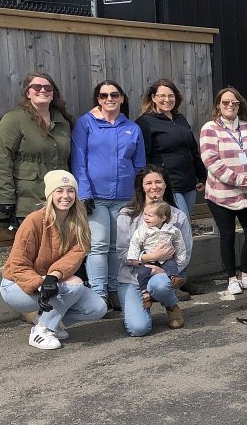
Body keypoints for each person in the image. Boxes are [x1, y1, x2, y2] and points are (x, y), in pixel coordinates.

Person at [0, 171, 107, 349]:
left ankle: (47, 321)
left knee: (97, 308)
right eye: (59, 191)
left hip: (55, 281)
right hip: (16, 285)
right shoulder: (34, 221)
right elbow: (18, 265)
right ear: (50, 194)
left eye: (70, 191)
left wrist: (53, 277)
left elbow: (74, 257)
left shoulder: (80, 224)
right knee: (75, 285)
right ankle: (41, 331)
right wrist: (40, 283)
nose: (66, 196)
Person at [71, 80, 146, 311]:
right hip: (96, 197)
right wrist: (84, 193)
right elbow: (78, 159)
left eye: (114, 95)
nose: (109, 99)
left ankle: (114, 290)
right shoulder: (86, 124)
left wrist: (138, 195)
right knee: (98, 246)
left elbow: (139, 165)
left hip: (124, 197)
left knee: (117, 247)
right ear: (98, 99)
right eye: (103, 96)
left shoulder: (132, 128)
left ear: (122, 98)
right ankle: (98, 294)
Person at [200, 87, 247, 294]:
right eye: (226, 102)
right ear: (218, 106)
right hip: (221, 194)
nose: (230, 105)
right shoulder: (210, 128)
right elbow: (211, 160)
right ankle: (231, 279)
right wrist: (238, 179)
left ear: (240, 105)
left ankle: (245, 274)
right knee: (227, 235)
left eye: (235, 102)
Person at [116, 165, 193, 334]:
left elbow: (185, 252)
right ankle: (137, 308)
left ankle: (171, 304)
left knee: (161, 284)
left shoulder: (178, 216)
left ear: (166, 185)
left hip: (162, 274)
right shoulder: (126, 215)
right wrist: (149, 257)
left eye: (158, 181)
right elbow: (122, 253)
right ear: (141, 187)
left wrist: (165, 270)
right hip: (131, 278)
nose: (154, 186)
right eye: (148, 183)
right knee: (138, 329)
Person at [0, 73, 73, 225]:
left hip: (60, 201)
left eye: (48, 87)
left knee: (59, 247)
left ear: (53, 94)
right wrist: (5, 197)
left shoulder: (63, 122)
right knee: (31, 248)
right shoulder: (14, 119)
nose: (43, 90)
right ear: (28, 93)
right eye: (36, 86)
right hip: (28, 201)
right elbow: (2, 159)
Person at [135, 79, 206, 220]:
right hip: (168, 184)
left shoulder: (180, 119)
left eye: (171, 95)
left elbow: (192, 149)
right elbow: (145, 157)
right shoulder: (145, 122)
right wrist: (151, 183)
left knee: (183, 224)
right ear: (153, 98)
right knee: (181, 221)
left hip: (188, 182)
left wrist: (202, 175)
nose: (167, 99)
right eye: (162, 96)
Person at [126, 201, 187, 308]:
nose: (146, 218)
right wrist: (134, 257)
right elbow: (134, 243)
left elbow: (179, 244)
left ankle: (175, 278)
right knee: (142, 273)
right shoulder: (143, 230)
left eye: (150, 215)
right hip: (149, 260)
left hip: (167, 258)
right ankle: (145, 295)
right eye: (145, 214)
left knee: (171, 265)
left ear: (163, 218)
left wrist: (180, 258)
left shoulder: (172, 230)